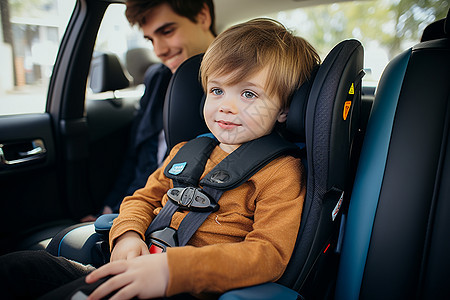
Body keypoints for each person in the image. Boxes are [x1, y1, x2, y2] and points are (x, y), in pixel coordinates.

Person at [0, 18, 320, 299]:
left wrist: (171, 270)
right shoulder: (186, 151)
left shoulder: (281, 172)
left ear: (284, 110)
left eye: (248, 94)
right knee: (22, 265)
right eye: (217, 90)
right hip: (135, 267)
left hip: (186, 287)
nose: (226, 106)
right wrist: (127, 235)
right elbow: (142, 199)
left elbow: (269, 255)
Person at [82, 0, 216, 221]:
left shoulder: (239, 84)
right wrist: (109, 210)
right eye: (151, 39)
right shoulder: (157, 78)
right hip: (133, 207)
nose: (159, 50)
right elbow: (136, 154)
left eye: (167, 31)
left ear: (202, 16)